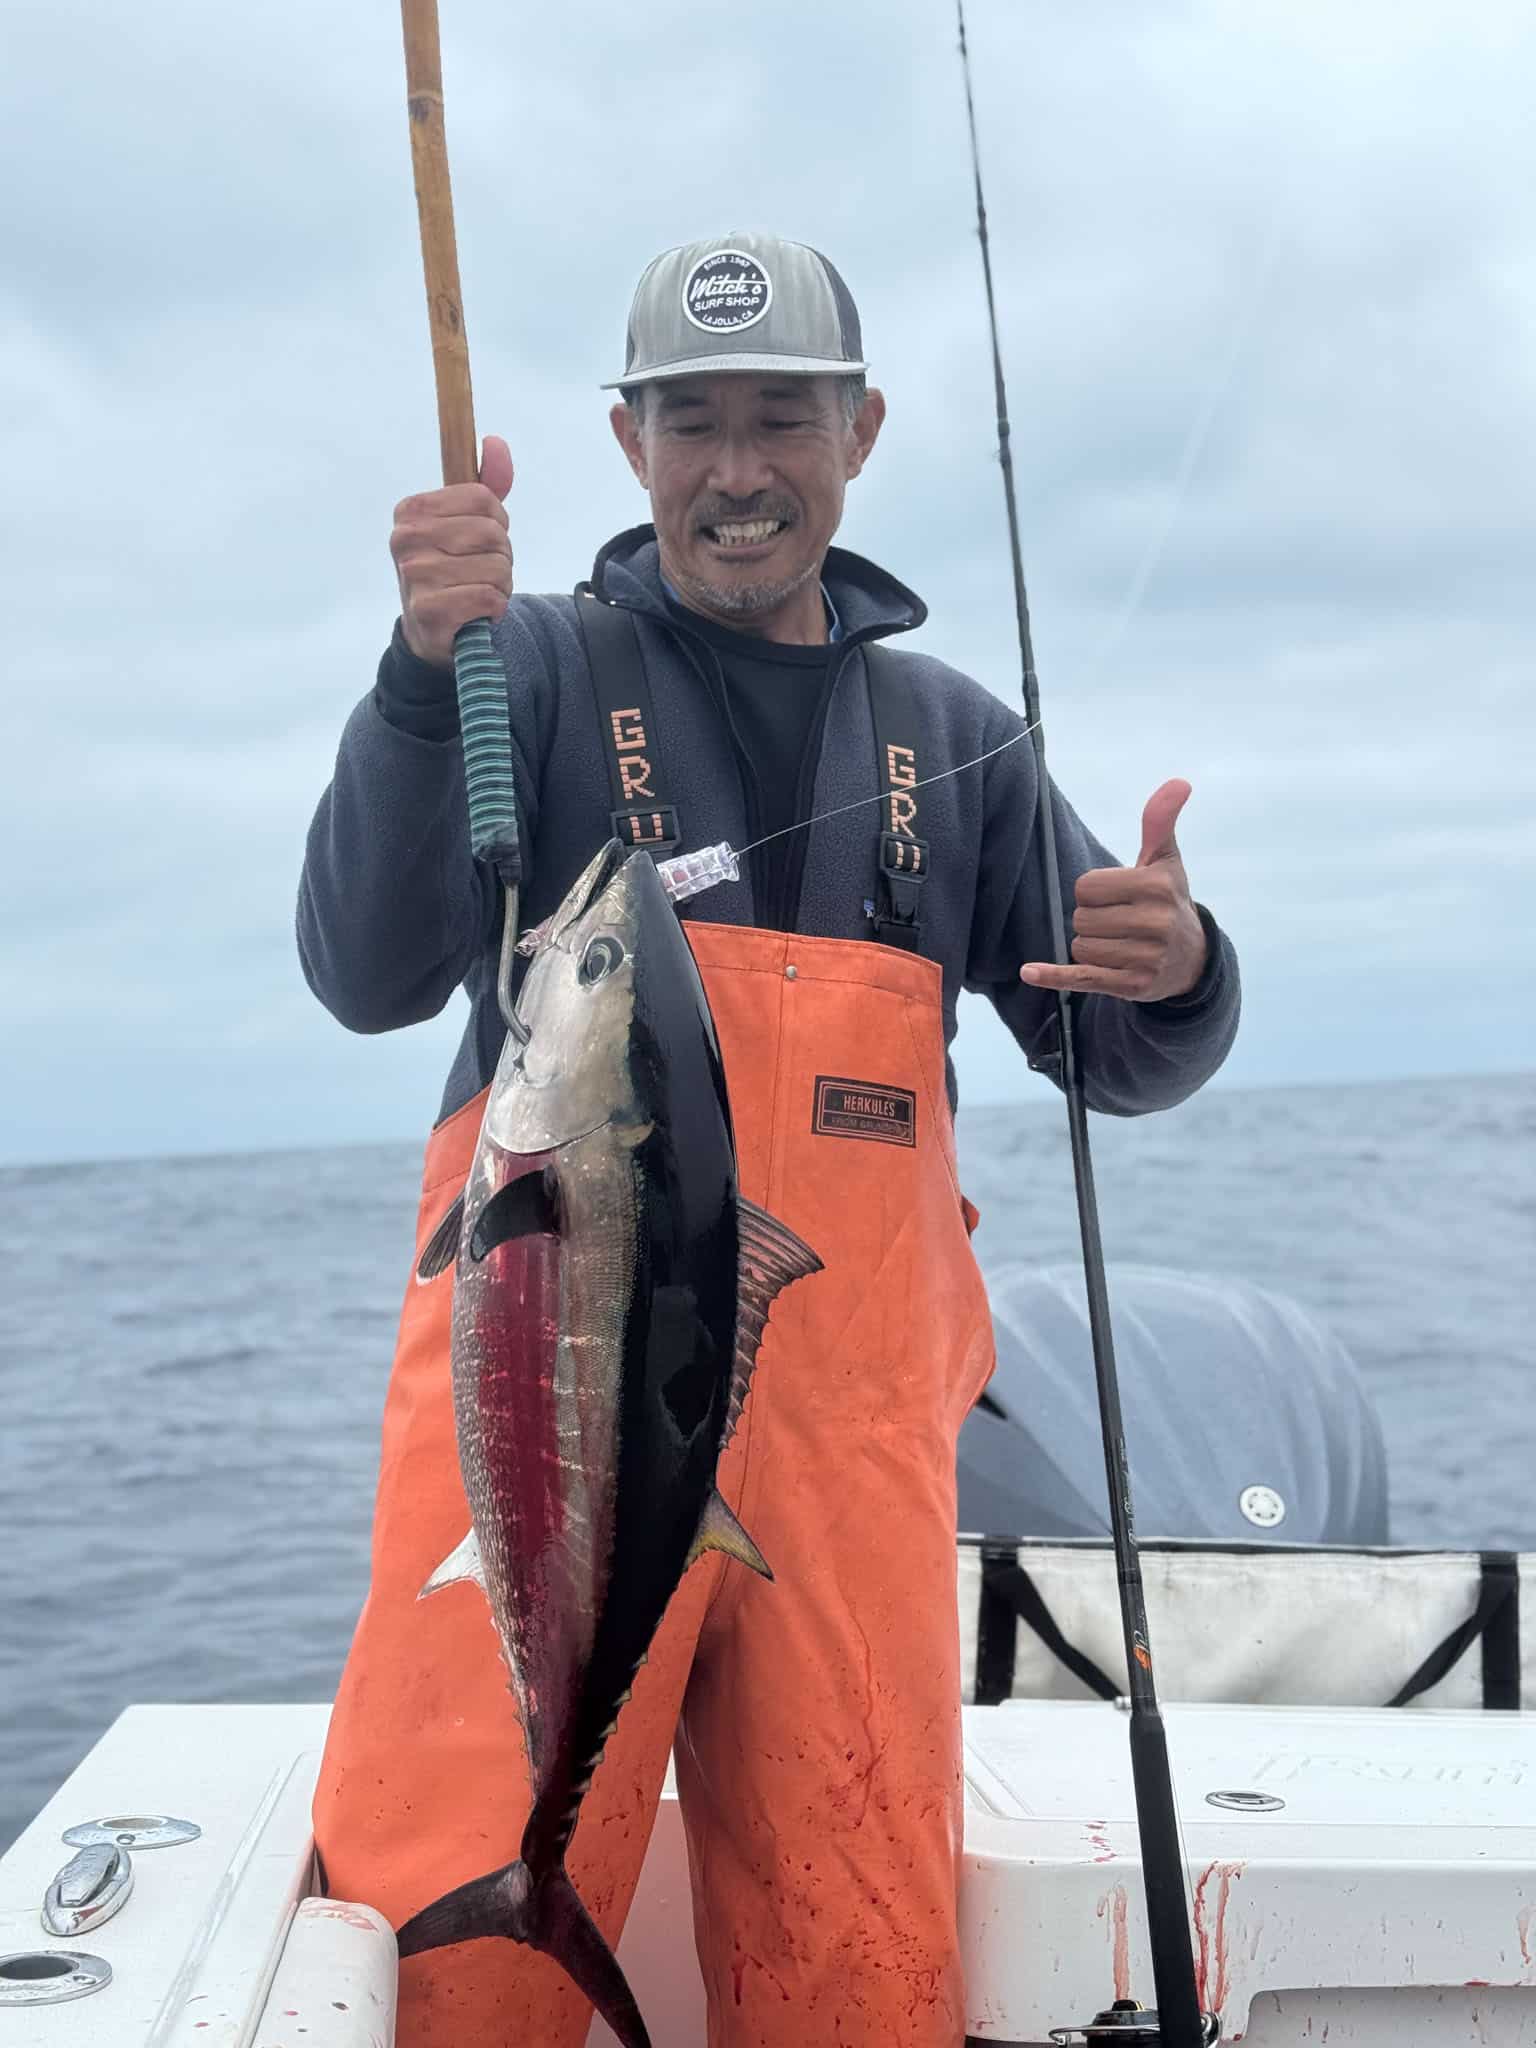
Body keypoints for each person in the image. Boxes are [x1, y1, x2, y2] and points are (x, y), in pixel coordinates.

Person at [298, 232, 1239, 2048]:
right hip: (542, 1430)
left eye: (783, 420)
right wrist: (422, 678)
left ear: (861, 432)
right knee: (449, 1955)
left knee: (859, 1963)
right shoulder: (527, 669)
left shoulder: (953, 737)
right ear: (629, 444)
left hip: (849, 1465)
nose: (739, 470)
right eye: (694, 423)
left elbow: (1111, 1052)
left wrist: (1181, 969)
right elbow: (365, 970)